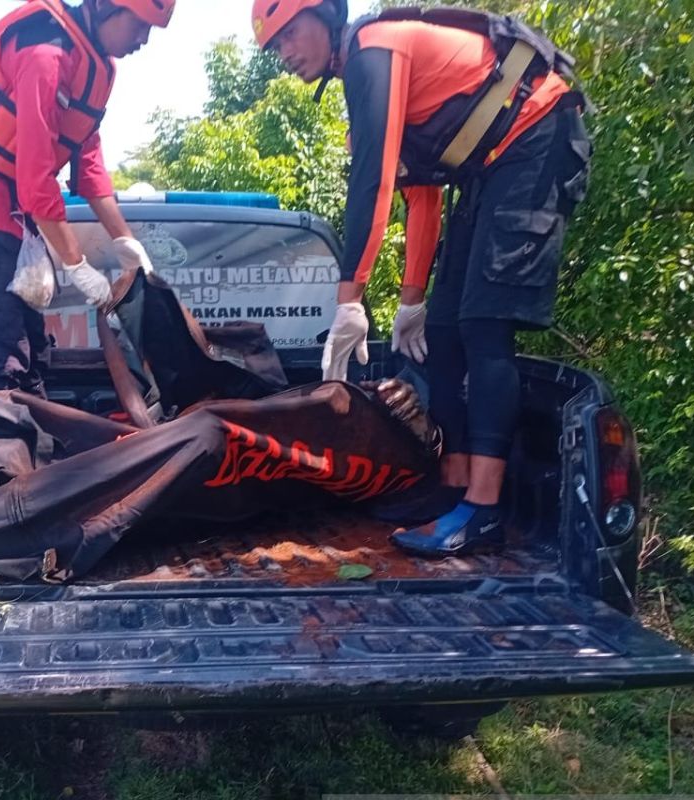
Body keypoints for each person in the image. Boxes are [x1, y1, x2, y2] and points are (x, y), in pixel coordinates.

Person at [251, 0, 591, 556]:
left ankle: (481, 511)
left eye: (289, 34)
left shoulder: (373, 51)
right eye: (274, 47)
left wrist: (350, 299)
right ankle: (451, 487)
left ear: (327, 16)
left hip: (538, 138)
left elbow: (372, 185)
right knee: (444, 331)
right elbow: (422, 197)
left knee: (484, 327)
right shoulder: (366, 81)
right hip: (490, 168)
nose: (283, 53)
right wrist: (411, 303)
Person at [0, 0, 176, 399]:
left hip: (15, 216)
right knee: (4, 358)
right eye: (140, 26)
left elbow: (88, 164)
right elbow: (36, 179)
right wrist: (77, 265)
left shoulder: (94, 66)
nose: (143, 40)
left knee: (34, 354)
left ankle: (36, 454)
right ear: (109, 7)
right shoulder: (46, 54)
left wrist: (128, 244)